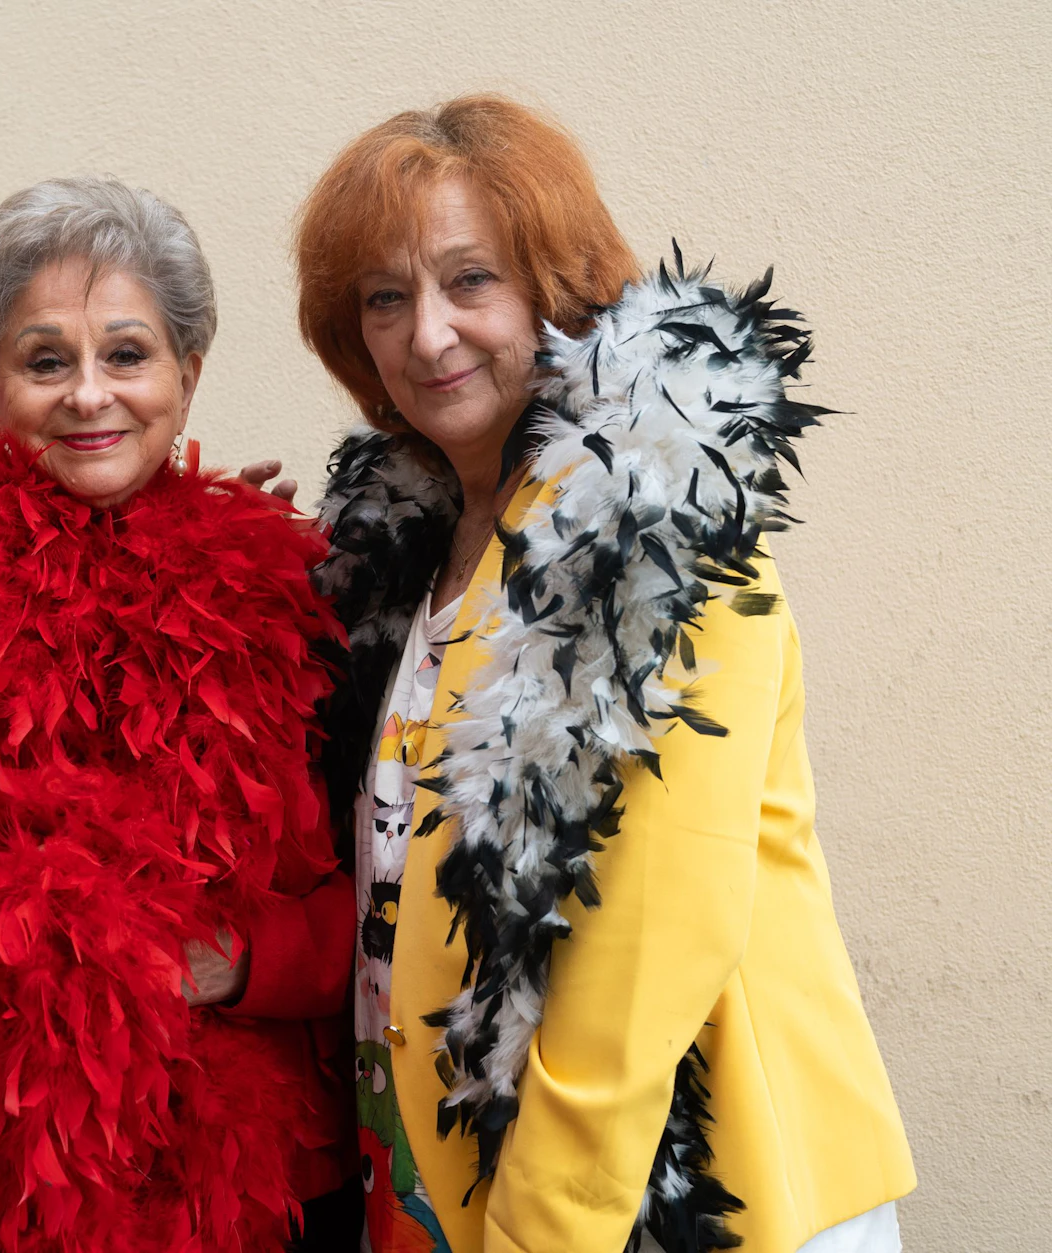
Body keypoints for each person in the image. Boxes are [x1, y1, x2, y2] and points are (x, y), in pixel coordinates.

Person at [297, 96, 916, 1253]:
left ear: (556, 287)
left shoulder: (656, 532)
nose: (426, 334)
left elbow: (643, 951)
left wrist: (539, 1234)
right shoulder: (398, 557)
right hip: (447, 1186)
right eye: (383, 297)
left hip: (672, 1202)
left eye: (469, 280)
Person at [0, 176, 358, 1252]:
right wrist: (18, 947)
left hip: (252, 1185)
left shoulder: (295, 597)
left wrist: (242, 957)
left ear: (187, 375)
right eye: (46, 361)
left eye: (127, 354)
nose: (90, 395)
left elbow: (363, 901)